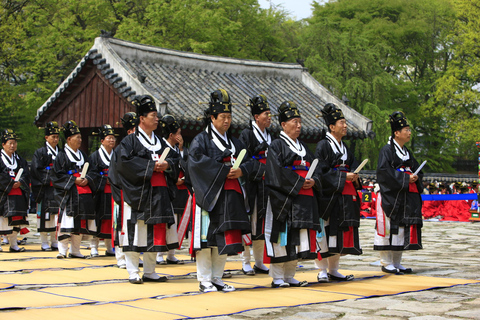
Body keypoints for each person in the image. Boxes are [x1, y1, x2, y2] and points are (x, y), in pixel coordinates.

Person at [188, 89, 257, 292]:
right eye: (223, 117)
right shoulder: (201, 140)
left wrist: (241, 170)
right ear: (212, 117)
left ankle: (217, 277)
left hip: (231, 194)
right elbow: (195, 163)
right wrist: (222, 170)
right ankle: (204, 279)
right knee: (207, 239)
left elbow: (251, 163)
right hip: (210, 194)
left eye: (229, 117)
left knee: (223, 238)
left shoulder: (235, 142)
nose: (227, 121)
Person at [112, 95, 179, 284]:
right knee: (136, 231)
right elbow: (124, 165)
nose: (157, 119)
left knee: (155, 230)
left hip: (159, 192)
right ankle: (133, 270)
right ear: (142, 119)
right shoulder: (130, 141)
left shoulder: (161, 142)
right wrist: (151, 166)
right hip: (139, 194)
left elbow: (176, 160)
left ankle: (150, 270)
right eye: (153, 115)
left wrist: (167, 165)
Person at [264, 101, 321, 288]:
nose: (299, 126)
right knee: (283, 237)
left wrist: (314, 181)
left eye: (300, 122)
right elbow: (275, 173)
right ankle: (278, 276)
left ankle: (290, 274)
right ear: (283, 125)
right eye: (294, 122)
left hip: (303, 198)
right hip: (284, 198)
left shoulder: (303, 147)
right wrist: (298, 182)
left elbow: (316, 168)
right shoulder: (276, 146)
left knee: (298, 237)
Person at [314, 103, 362, 282]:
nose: (345, 126)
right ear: (332, 126)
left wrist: (355, 177)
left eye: (345, 122)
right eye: (342, 122)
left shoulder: (345, 148)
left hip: (344, 195)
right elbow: (321, 172)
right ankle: (322, 270)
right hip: (330, 196)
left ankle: (334, 268)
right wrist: (342, 177)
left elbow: (352, 166)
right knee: (325, 232)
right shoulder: (323, 146)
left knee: (339, 233)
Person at [374, 111, 423, 274]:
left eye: (409, 130)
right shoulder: (387, 150)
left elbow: (416, 168)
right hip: (391, 195)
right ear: (396, 133)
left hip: (404, 195)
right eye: (406, 130)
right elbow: (383, 172)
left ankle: (397, 261)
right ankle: (386, 261)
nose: (409, 132)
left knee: (401, 228)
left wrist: (415, 177)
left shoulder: (407, 152)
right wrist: (403, 179)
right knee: (389, 228)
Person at [52, 121, 97, 259]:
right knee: (67, 221)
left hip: (83, 193)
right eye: (77, 137)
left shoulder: (83, 155)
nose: (80, 139)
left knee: (80, 222)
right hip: (69, 194)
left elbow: (93, 170)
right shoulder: (61, 156)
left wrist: (87, 179)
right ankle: (62, 250)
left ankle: (75, 250)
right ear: (69, 139)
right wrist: (73, 180)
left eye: (80, 137)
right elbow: (57, 175)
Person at [238, 94, 271, 275]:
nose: (269, 117)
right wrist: (260, 168)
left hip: (267, 184)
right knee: (250, 222)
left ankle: (259, 261)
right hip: (252, 184)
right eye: (266, 113)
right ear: (256, 116)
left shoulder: (270, 135)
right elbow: (244, 159)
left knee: (262, 223)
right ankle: (246, 261)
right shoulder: (247, 134)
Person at [156, 114, 187, 265]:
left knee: (173, 221)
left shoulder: (176, 149)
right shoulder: (160, 146)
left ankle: (171, 253)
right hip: (164, 187)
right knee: (163, 221)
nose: (180, 136)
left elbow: (183, 164)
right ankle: (159, 254)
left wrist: (181, 149)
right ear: (171, 135)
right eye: (178, 133)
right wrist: (175, 178)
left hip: (176, 189)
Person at [109, 112, 138, 268]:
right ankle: (121, 257)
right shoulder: (121, 149)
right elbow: (114, 174)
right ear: (129, 131)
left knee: (134, 227)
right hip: (122, 192)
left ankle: (133, 256)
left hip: (136, 193)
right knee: (121, 225)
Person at [31, 122, 61, 251]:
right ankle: (44, 242)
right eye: (53, 136)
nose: (55, 139)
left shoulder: (61, 152)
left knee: (56, 216)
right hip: (45, 188)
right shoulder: (40, 152)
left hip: (58, 188)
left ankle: (55, 241)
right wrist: (51, 177)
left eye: (57, 137)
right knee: (44, 216)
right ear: (46, 138)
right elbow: (37, 170)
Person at [88, 125, 117, 257]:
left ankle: (110, 246)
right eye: (109, 138)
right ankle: (94, 246)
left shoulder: (116, 155)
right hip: (99, 191)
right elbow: (91, 173)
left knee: (112, 219)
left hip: (113, 191)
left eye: (113, 138)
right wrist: (104, 180)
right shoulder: (95, 156)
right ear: (102, 141)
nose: (112, 140)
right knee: (98, 218)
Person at [0, 129, 30, 252]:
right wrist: (10, 183)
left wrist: (20, 182)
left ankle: (13, 244)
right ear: (3, 144)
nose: (12, 146)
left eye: (14, 143)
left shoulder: (20, 160)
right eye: (10, 143)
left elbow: (26, 173)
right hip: (3, 192)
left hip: (17, 192)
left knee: (16, 219)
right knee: (2, 218)